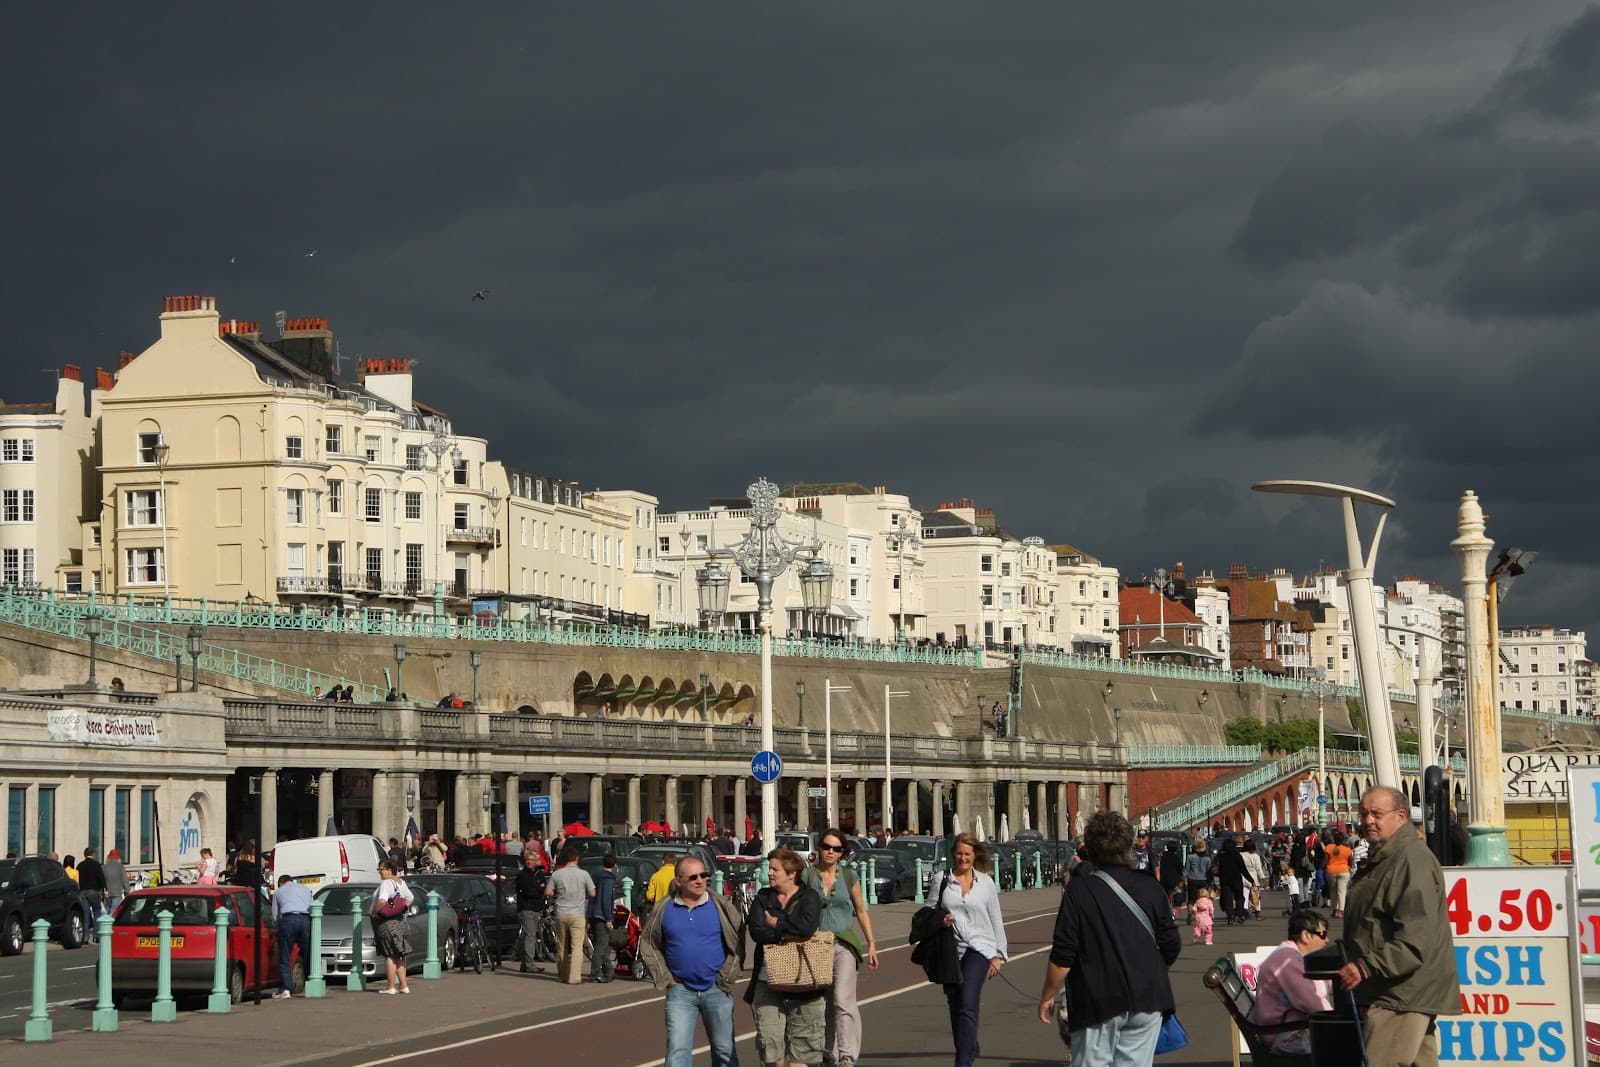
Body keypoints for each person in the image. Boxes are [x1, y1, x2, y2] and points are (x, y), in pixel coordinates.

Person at [1037, 810, 1180, 1066]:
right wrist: (1152, 971)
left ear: (1090, 849)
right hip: (1147, 997)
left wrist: (1048, 995)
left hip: (1096, 998)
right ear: (1128, 845)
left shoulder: (1079, 890)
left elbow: (1063, 956)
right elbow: (1171, 945)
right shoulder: (1150, 886)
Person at [1338, 786, 1460, 1067]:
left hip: (1401, 990)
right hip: (1400, 987)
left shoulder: (1410, 860)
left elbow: (1415, 939)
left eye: (1377, 814)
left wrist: (1365, 966)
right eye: (1364, 814)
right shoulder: (1388, 857)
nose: (1368, 820)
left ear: (1401, 816)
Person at [638, 855, 744, 1067]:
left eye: (703, 875)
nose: (700, 880)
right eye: (693, 877)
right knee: (677, 1051)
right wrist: (665, 977)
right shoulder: (664, 908)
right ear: (679, 881)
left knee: (724, 1050)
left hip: (717, 989)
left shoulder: (720, 906)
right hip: (681, 991)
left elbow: (738, 941)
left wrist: (726, 975)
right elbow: (648, 943)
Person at [802, 828, 880, 1067]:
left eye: (836, 849)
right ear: (819, 848)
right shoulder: (808, 875)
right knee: (823, 1003)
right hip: (816, 946)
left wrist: (871, 943)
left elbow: (861, 910)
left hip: (843, 944)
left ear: (842, 853)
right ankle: (829, 1053)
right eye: (826, 846)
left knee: (842, 1000)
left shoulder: (849, 876)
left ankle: (847, 1056)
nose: (830, 852)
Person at [747, 847, 825, 1067]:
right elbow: (757, 932)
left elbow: (806, 928)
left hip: (806, 982)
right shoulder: (763, 898)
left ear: (792, 873)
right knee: (770, 1050)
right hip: (767, 981)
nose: (769, 873)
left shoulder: (810, 897)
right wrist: (787, 934)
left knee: (802, 1054)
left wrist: (776, 923)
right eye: (770, 868)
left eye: (775, 869)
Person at [940, 832, 1007, 1067]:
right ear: (953, 854)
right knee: (955, 1004)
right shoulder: (942, 881)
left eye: (967, 854)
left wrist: (999, 954)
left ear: (975, 855)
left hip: (980, 948)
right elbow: (928, 912)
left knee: (968, 1000)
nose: (963, 858)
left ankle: (963, 1061)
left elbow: (996, 918)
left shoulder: (986, 883)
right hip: (951, 949)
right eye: (959, 853)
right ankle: (969, 1046)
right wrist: (940, 920)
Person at [1253, 908, 1334, 1054]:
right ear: (1306, 936)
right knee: (1347, 1041)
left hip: (1283, 1027)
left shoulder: (1289, 954)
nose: (1327, 940)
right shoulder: (1288, 960)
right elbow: (1313, 1003)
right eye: (1322, 934)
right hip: (1284, 1034)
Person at [546, 846, 596, 985]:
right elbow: (592, 893)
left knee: (562, 945)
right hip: (577, 913)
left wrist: (558, 893)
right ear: (577, 859)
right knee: (576, 947)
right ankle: (574, 977)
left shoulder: (557, 874)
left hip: (561, 912)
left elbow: (548, 891)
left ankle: (562, 974)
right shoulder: (584, 874)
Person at [372, 859, 414, 994]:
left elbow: (382, 900)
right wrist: (399, 909)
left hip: (386, 922)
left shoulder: (386, 883)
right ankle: (403, 985)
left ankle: (391, 986)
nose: (379, 872)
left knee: (389, 955)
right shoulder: (401, 882)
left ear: (390, 870)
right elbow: (410, 898)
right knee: (398, 954)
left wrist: (374, 912)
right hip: (399, 921)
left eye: (381, 869)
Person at [271, 873, 313, 998]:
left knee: (285, 956)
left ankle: (286, 989)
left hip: (288, 919)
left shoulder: (279, 892)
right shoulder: (305, 889)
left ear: (281, 883)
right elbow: (312, 906)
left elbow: (275, 915)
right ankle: (311, 983)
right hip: (305, 919)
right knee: (307, 954)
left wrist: (277, 928)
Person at [514, 849, 549, 974]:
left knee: (529, 935)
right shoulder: (522, 875)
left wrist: (539, 889)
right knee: (530, 936)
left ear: (536, 861)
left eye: (532, 860)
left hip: (536, 907)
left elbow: (544, 888)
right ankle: (529, 964)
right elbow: (527, 891)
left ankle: (525, 963)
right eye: (528, 860)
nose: (529, 862)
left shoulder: (540, 874)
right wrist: (538, 889)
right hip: (526, 908)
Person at [588, 853, 618, 983]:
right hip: (601, 914)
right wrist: (609, 918)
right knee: (602, 945)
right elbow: (606, 899)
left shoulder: (595, 876)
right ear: (614, 865)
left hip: (592, 912)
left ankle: (609, 972)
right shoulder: (608, 879)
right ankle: (594, 973)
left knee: (602, 944)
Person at [1215, 837, 1250, 925]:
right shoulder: (1237, 855)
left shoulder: (1220, 855)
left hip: (1224, 880)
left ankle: (1230, 917)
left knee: (1228, 899)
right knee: (1240, 898)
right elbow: (1243, 869)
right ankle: (1238, 914)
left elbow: (1215, 867)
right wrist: (1251, 880)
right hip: (1236, 879)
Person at [1323, 832, 1353, 917]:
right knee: (1342, 891)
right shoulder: (1347, 849)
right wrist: (1349, 867)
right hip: (1344, 870)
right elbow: (1351, 861)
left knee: (1333, 891)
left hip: (1331, 871)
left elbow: (1326, 859)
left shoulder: (1329, 847)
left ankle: (1335, 910)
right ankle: (1341, 911)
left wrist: (1322, 868)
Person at [77, 847, 107, 931]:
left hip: (83, 891)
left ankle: (85, 935)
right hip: (94, 890)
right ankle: (96, 933)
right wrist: (104, 889)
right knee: (97, 912)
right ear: (93, 854)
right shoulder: (96, 864)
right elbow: (101, 877)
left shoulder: (80, 865)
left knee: (85, 914)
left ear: (84, 855)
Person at [1183, 838, 1211, 916]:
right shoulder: (1207, 859)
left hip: (1192, 879)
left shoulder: (1190, 857)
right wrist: (1210, 882)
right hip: (1204, 880)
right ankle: (1201, 913)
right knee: (1203, 898)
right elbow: (1209, 872)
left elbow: (1186, 870)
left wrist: (1183, 880)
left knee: (1191, 899)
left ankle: (1190, 913)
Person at [102, 848, 129, 914]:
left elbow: (101, 880)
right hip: (117, 893)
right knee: (114, 910)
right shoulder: (120, 867)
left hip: (107, 892)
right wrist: (126, 891)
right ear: (118, 858)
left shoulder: (103, 867)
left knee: (107, 909)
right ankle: (110, 920)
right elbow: (124, 880)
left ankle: (107, 919)